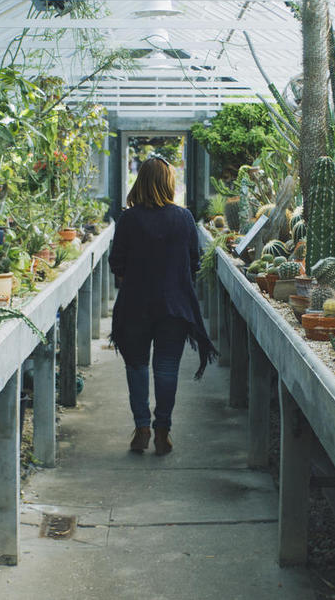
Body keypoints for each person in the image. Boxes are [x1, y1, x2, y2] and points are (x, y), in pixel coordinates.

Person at [109, 155, 217, 456]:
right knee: (167, 367)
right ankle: (162, 432)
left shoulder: (128, 219)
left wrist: (136, 277)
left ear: (140, 181)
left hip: (135, 305)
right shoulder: (184, 218)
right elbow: (194, 262)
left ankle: (141, 428)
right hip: (174, 306)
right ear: (168, 183)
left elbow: (116, 263)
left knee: (137, 365)